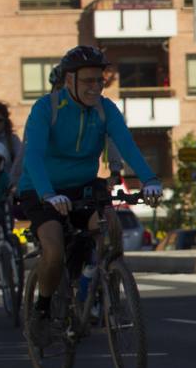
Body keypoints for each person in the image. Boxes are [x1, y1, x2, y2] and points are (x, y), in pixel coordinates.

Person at [20, 46, 163, 323]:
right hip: (42, 188)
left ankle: (95, 285)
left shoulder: (105, 109)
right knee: (54, 249)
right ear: (69, 80)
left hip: (84, 186)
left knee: (112, 228)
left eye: (100, 80)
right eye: (88, 81)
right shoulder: (45, 108)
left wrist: (150, 179)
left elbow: (127, 145)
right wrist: (48, 194)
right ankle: (43, 308)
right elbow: (33, 157)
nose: (96, 87)